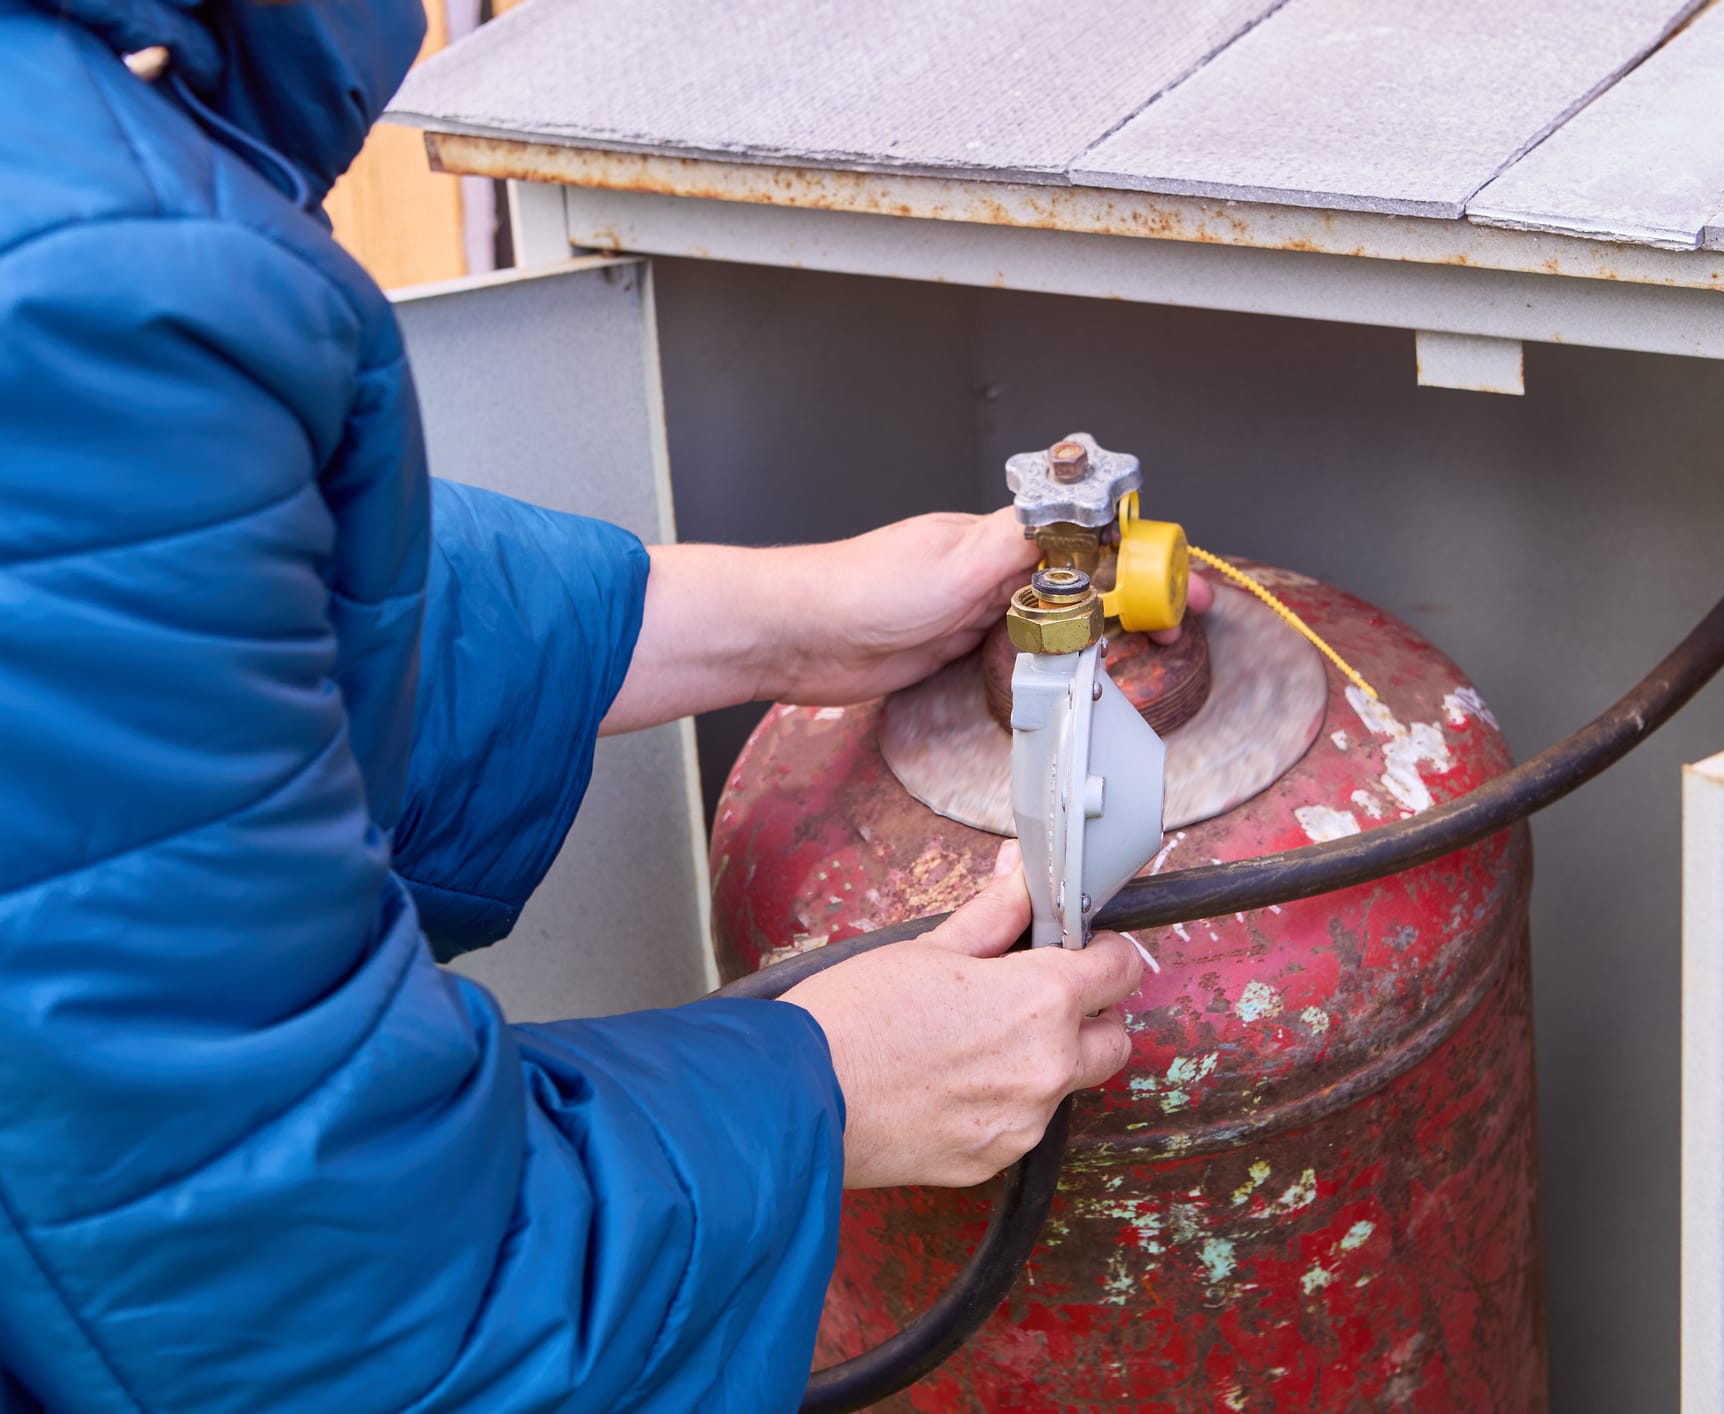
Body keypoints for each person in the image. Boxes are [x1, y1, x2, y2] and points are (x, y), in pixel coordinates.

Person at [0, 2, 1206, 1409]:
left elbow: (189, 637)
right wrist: (819, 1095)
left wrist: (767, 619)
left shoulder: (78, 182)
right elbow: (308, 1310)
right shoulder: (90, 280)